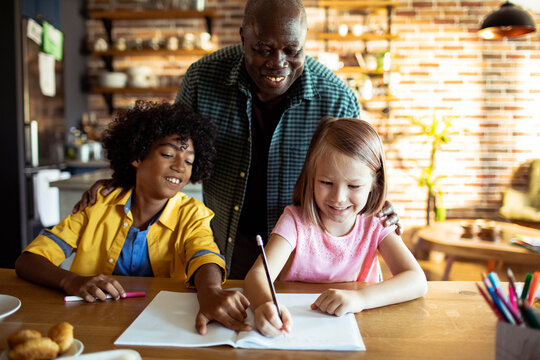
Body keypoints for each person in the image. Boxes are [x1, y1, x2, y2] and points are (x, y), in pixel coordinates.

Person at [73, 0, 401, 279]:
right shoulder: (203, 79)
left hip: (306, 253)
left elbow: (358, 169)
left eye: (292, 50)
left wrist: (377, 202)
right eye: (263, 49)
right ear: (243, 37)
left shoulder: (337, 96)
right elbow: (168, 152)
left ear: (305, 41)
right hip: (225, 244)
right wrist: (123, 183)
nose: (278, 63)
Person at [15, 100, 251, 335]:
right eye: (168, 154)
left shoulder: (192, 213)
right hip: (94, 323)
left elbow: (204, 254)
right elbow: (29, 260)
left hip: (165, 324)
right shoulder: (98, 205)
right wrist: (72, 281)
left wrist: (211, 291)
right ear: (137, 156)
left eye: (189, 160)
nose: (180, 166)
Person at [244, 117, 427, 337]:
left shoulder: (376, 223)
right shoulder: (295, 221)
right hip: (297, 330)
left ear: (374, 182)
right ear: (311, 177)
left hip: (360, 330)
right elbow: (257, 276)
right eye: (326, 183)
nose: (338, 198)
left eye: (354, 185)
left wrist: (361, 299)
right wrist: (264, 304)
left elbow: (416, 280)